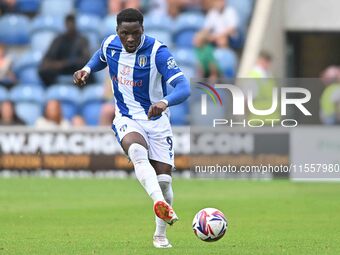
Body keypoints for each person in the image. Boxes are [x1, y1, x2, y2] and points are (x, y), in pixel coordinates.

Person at [73, 8, 190, 248]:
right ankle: (159, 201)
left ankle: (160, 234)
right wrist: (86, 69)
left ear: (142, 30)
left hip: (156, 120)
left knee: (165, 182)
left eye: (135, 33)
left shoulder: (158, 52)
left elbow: (184, 87)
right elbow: (99, 57)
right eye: (125, 33)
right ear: (117, 31)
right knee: (136, 151)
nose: (130, 39)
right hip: (127, 117)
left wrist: (163, 102)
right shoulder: (110, 45)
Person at [38, 14, 90, 85]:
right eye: (68, 23)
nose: (70, 26)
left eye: (72, 23)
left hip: (75, 68)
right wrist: (52, 64)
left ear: (75, 24)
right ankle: (52, 88)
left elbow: (85, 59)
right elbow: (48, 56)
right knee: (43, 70)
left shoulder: (82, 40)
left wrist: (64, 64)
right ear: (65, 24)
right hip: (59, 69)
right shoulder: (58, 40)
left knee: (87, 70)